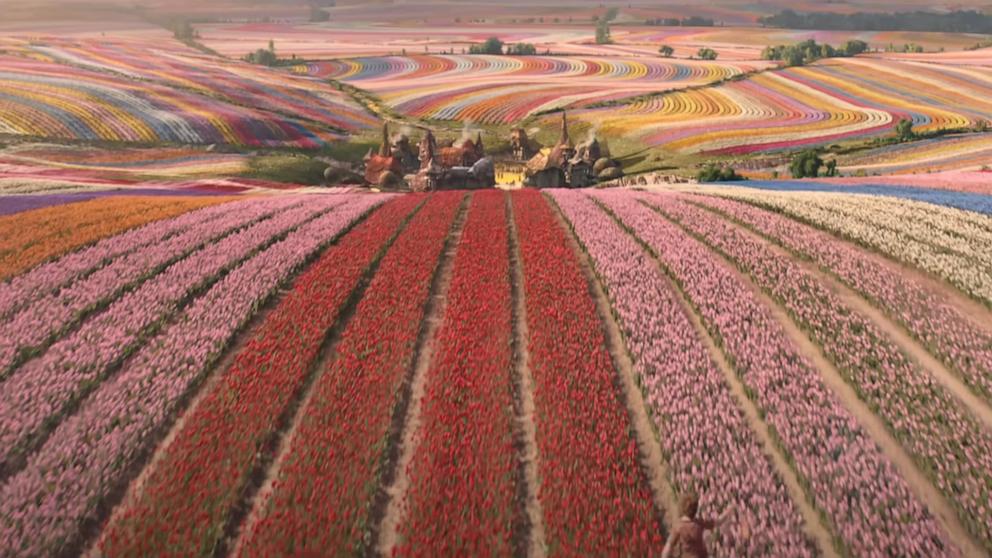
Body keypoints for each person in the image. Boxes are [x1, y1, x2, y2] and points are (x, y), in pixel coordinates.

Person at [660, 493, 735, 558]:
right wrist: (728, 511)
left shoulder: (678, 527)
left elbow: (668, 548)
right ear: (695, 510)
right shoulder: (699, 523)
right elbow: (718, 522)